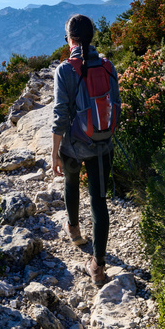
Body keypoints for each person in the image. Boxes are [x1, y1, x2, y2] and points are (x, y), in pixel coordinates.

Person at [51, 14, 121, 285]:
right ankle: (98, 265)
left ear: (69, 39)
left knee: (70, 181)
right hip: (103, 144)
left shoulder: (65, 70)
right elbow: (115, 103)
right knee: (99, 201)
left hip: (73, 145)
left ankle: (75, 230)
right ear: (92, 37)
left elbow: (60, 115)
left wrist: (54, 152)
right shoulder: (107, 65)